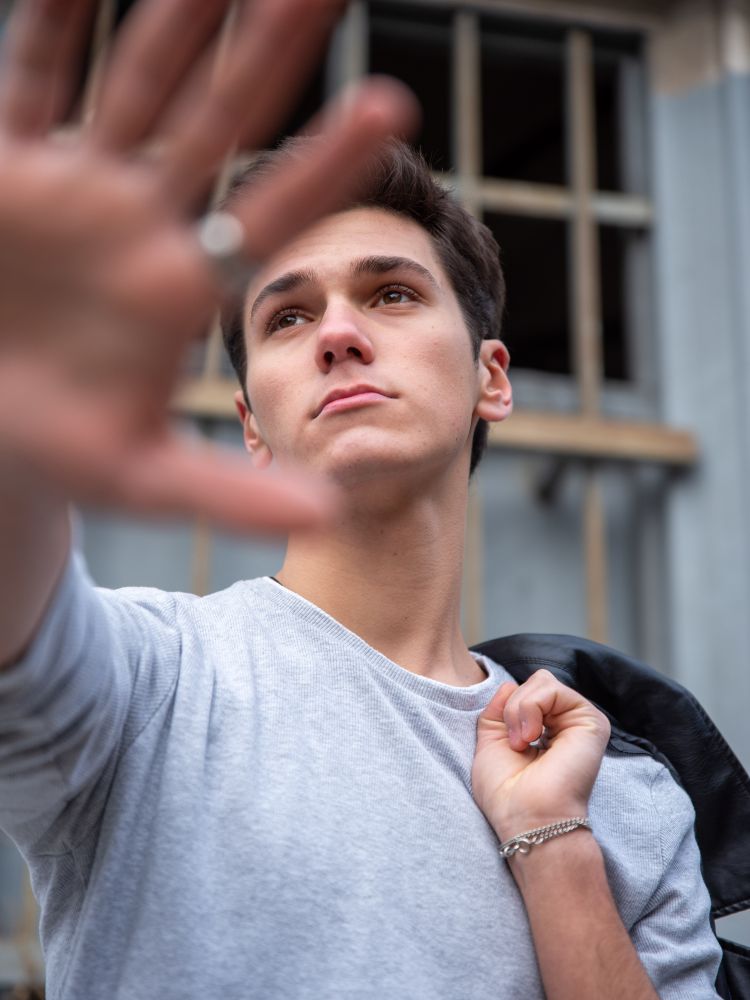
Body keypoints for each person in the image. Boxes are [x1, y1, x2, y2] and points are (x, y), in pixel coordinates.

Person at [0, 1, 732, 998]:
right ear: (252, 424)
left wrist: (554, 840)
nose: (338, 334)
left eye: (391, 293)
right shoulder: (149, 682)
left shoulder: (628, 792)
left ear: (491, 378)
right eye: (288, 316)